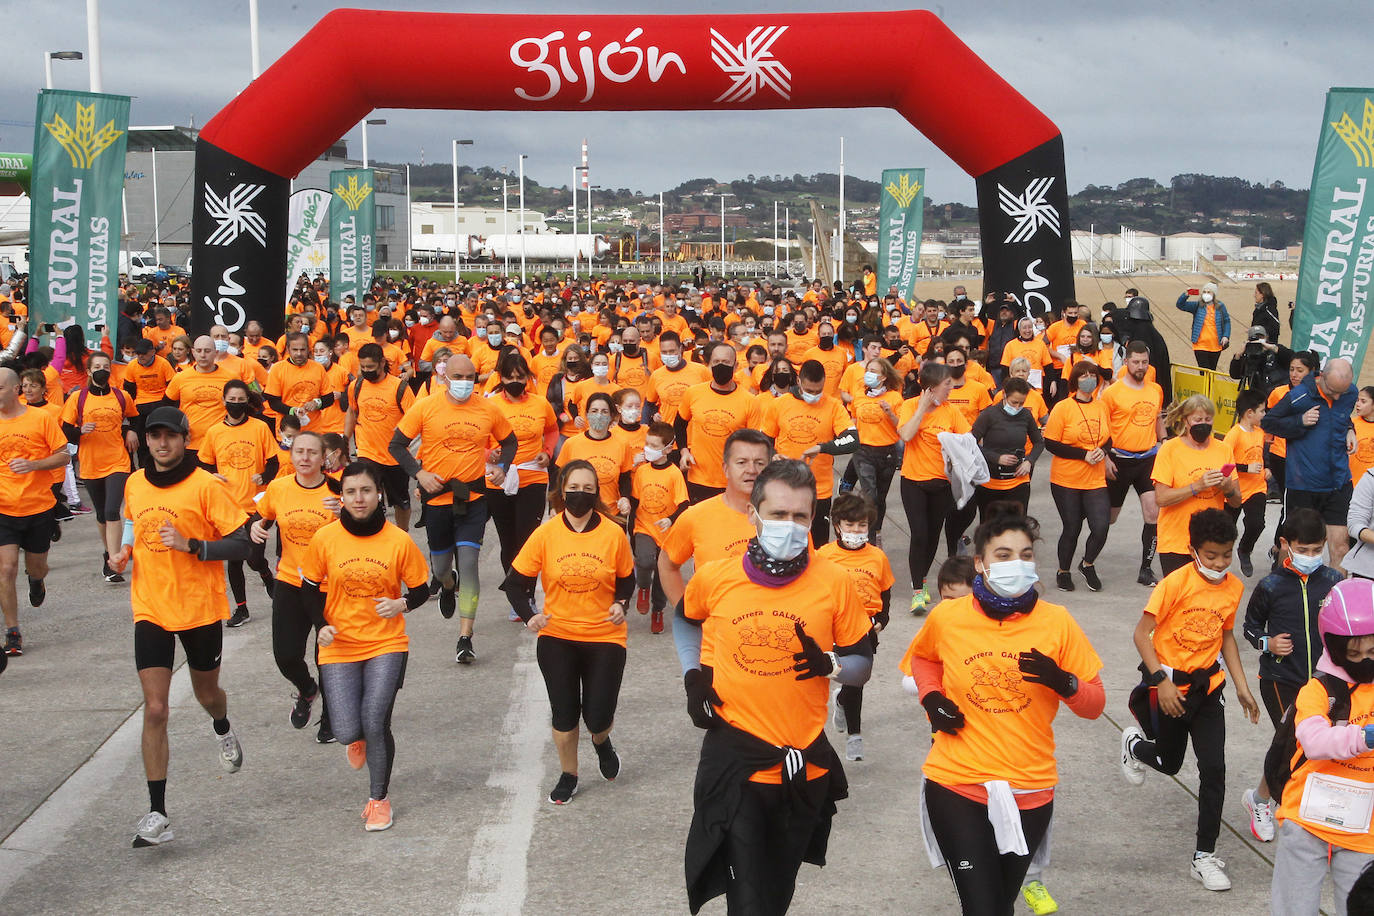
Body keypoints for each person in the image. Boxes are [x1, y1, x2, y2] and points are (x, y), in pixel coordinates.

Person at [676, 459, 873, 916]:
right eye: (779, 514)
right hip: (737, 765)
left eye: (800, 516)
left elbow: (862, 665)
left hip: (801, 768)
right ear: (754, 515)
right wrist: (694, 674)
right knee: (749, 901)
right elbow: (687, 621)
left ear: (813, 519)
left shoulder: (835, 581)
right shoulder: (716, 577)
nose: (789, 525)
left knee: (776, 896)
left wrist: (831, 665)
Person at [908, 505, 1104, 914]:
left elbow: (1095, 704)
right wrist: (931, 698)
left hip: (1029, 788)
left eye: (1026, 554)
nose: (1017, 562)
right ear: (980, 564)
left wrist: (1063, 682)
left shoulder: (1058, 622)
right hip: (956, 781)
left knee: (1000, 904)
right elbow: (923, 659)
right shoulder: (948, 616)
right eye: (1003, 555)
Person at [109, 406, 252, 847]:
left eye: (170, 436)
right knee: (155, 708)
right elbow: (132, 519)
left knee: (207, 694)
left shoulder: (207, 485)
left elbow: (244, 541)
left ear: (185, 438)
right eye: (155, 436)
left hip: (199, 608)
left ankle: (223, 726)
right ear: (146, 440)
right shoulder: (135, 481)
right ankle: (158, 812)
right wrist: (123, 551)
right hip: (149, 606)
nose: (161, 444)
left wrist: (193, 545)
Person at [1120, 508, 1261, 891]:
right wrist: (1160, 681)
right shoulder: (1174, 584)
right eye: (1211, 555)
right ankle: (1135, 746)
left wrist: (1242, 686)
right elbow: (1141, 634)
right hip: (1170, 689)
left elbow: (1226, 636)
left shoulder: (1233, 587)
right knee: (1168, 762)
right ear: (1193, 549)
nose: (1219, 562)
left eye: (1226, 554)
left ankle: (1204, 856)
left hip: (1207, 690)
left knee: (1214, 770)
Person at [300, 461, 431, 832]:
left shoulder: (398, 541)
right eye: (351, 492)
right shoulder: (325, 539)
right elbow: (309, 588)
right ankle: (354, 738)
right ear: (341, 497)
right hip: (339, 644)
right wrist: (321, 625)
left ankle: (379, 799)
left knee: (376, 719)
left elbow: (423, 589)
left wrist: (401, 603)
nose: (359, 498)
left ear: (379, 495)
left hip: (386, 642)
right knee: (345, 729)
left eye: (366, 491)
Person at [500, 459, 636, 805]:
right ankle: (569, 773)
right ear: (562, 491)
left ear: (597, 493)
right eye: (574, 488)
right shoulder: (545, 534)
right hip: (557, 635)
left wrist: (621, 603)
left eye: (588, 489)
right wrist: (530, 615)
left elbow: (627, 578)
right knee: (564, 712)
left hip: (605, 636)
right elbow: (516, 585)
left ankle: (602, 741)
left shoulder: (613, 533)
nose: (580, 495)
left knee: (598, 716)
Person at [390, 353, 516, 665]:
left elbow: (510, 441)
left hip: (472, 499)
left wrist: (502, 466)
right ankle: (448, 585)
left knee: (471, 564)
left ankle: (465, 637)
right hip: (437, 500)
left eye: (469, 378)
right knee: (441, 568)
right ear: (445, 377)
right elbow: (396, 445)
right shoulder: (426, 406)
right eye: (457, 377)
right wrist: (419, 474)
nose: (463, 383)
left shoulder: (488, 408)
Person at [1239, 508, 1343, 844]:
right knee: (1293, 741)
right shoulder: (1270, 586)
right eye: (1303, 549)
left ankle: (1262, 797)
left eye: (1317, 550)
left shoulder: (1334, 582)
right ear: (1286, 544)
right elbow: (1249, 627)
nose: (1311, 556)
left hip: (1323, 679)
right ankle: (1270, 804)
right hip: (1279, 678)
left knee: (1309, 744)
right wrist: (1267, 643)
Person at [251, 430, 342, 741]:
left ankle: (331, 718)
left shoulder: (337, 491)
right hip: (291, 581)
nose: (305, 458)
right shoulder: (277, 488)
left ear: (323, 458)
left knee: (327, 657)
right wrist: (255, 527)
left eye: (312, 453)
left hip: (330, 586)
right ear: (291, 455)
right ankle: (307, 690)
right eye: (299, 451)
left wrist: (345, 514)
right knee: (286, 656)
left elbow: (362, 529)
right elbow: (262, 518)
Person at [658, 429, 773, 616]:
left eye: (759, 463)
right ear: (726, 468)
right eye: (741, 462)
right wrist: (687, 615)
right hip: (716, 637)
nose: (751, 470)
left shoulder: (787, 519)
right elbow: (667, 564)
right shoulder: (695, 516)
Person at [816, 492, 893, 762]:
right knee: (841, 676)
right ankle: (854, 733)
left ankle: (848, 719)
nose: (856, 531)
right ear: (837, 525)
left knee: (857, 680)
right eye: (850, 525)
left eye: (862, 526)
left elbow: (885, 592)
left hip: (865, 629)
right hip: (834, 627)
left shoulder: (877, 557)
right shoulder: (823, 556)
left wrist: (882, 619)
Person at [1264, 357, 1358, 571]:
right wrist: (1299, 422)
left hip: (1339, 482)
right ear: (1321, 376)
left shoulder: (1349, 393)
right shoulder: (1299, 396)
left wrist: (1350, 429)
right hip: (1303, 484)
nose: (1337, 396)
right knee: (1295, 547)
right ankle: (1283, 589)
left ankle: (1334, 602)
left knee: (1341, 548)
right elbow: (1269, 422)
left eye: (1341, 392)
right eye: (1333, 391)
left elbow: (1340, 416)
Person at [0, 368, 70, 656]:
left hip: (38, 505)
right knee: (5, 569)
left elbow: (64, 455)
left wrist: (34, 465)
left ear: (16, 389)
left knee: (36, 566)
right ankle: (13, 631)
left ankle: (36, 579)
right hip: (4, 507)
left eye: (0, 387)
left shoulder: (40, 418)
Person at [484, 350, 559, 621]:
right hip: (499, 480)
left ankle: (526, 593)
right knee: (508, 541)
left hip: (533, 477)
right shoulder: (490, 405)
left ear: (528, 378)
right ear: (500, 377)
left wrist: (547, 452)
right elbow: (477, 440)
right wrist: (488, 455)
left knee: (528, 539)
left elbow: (552, 430)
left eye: (520, 377)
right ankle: (515, 596)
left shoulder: (541, 404)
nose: (515, 381)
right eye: (509, 377)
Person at [198, 380, 278, 627]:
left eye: (240, 400)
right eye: (231, 400)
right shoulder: (214, 432)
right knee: (234, 560)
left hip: (257, 505)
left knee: (253, 557)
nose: (235, 404)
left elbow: (274, 462)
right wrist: (212, 474)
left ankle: (266, 575)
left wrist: (264, 476)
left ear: (247, 401)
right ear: (223, 401)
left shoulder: (260, 428)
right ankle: (241, 608)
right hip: (228, 508)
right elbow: (203, 464)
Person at [60, 350, 138, 583]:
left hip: (118, 460)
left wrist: (131, 431)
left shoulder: (122, 396)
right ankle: (109, 553)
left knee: (113, 509)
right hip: (91, 461)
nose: (102, 370)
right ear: (89, 371)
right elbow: (65, 430)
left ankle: (115, 562)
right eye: (97, 367)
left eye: (106, 366)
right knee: (102, 512)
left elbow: (132, 418)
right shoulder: (78, 398)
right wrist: (78, 431)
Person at [898, 361, 969, 614]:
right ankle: (917, 591)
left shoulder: (951, 411)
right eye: (947, 384)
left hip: (942, 484)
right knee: (919, 534)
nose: (951, 388)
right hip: (913, 482)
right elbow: (906, 435)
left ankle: (923, 580)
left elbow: (967, 440)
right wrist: (921, 408)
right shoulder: (908, 406)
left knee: (932, 536)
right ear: (930, 388)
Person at [1152, 395, 1243, 574]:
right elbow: (1161, 498)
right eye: (1198, 419)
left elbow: (1237, 501)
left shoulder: (1223, 449)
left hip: (1210, 544)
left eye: (1208, 419)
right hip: (1176, 542)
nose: (1204, 424)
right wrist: (1197, 486)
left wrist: (1227, 489)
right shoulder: (1170, 450)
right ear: (1186, 421)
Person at [1042, 360, 1112, 592]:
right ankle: (1063, 571)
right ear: (1075, 379)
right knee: (1072, 527)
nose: (1089, 379)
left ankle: (1087, 563)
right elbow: (1051, 443)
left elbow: (1108, 439)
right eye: (1084, 375)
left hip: (1095, 478)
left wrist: (1103, 451)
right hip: (1066, 479)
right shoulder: (1063, 407)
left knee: (1101, 525)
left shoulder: (1101, 406)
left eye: (1093, 375)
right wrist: (1082, 455)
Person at [767, 358, 853, 546]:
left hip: (818, 490)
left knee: (818, 544)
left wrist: (823, 448)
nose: (814, 395)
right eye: (809, 391)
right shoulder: (779, 405)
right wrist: (772, 454)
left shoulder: (833, 406)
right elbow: (764, 439)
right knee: (783, 544)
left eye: (818, 391)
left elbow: (852, 440)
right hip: (784, 486)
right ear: (798, 382)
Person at [1101, 341, 1166, 586]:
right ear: (1126, 362)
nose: (1140, 367)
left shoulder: (1155, 390)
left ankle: (1146, 569)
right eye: (1136, 362)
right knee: (1109, 517)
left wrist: (1165, 440)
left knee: (1153, 513)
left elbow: (1157, 418)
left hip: (1147, 459)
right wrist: (1105, 456)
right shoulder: (1112, 393)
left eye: (1144, 362)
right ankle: (1090, 557)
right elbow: (1102, 427)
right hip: (1119, 460)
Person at [677, 341, 763, 503]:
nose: (721, 366)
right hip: (698, 478)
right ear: (709, 364)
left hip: (732, 480)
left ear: (735, 365)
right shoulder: (693, 393)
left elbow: (753, 444)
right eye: (716, 362)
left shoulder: (750, 401)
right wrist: (684, 451)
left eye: (726, 362)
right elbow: (679, 424)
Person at [343, 342, 416, 530]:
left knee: (401, 502)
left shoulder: (400, 388)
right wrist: (345, 440)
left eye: (370, 367)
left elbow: (414, 418)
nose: (366, 371)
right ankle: (375, 533)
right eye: (363, 367)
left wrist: (402, 431)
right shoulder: (356, 386)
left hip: (395, 456)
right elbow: (352, 412)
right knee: (370, 497)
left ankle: (402, 534)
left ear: (382, 362)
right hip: (367, 452)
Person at [630, 422, 688, 634]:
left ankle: (658, 610)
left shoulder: (674, 474)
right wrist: (626, 506)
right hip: (644, 526)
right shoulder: (642, 471)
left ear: (667, 449)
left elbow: (684, 504)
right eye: (646, 443)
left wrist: (671, 519)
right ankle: (643, 586)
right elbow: (635, 499)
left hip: (666, 533)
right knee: (644, 561)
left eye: (653, 445)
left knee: (663, 573)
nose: (647, 448)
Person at [971, 377, 1043, 520]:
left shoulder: (1026, 415)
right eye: (1014, 402)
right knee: (990, 528)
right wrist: (996, 458)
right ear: (1004, 395)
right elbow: (970, 444)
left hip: (1018, 480)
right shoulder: (988, 415)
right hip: (990, 482)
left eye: (1021, 403)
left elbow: (1039, 442)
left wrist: (1029, 461)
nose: (1017, 407)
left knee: (1016, 526)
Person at [557, 391, 634, 519]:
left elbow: (625, 478)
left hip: (611, 513)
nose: (599, 415)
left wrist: (625, 498)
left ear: (611, 416)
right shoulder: (571, 444)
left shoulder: (622, 444)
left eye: (604, 411)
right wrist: (555, 507)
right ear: (586, 414)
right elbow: (559, 478)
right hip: (578, 513)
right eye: (594, 411)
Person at [1224, 388, 1270, 576]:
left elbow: (1263, 455)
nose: (1264, 414)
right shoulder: (1234, 435)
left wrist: (1267, 468)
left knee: (1256, 524)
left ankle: (1245, 549)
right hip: (1235, 490)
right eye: (1262, 411)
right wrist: (1245, 468)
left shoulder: (1260, 432)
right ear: (1249, 413)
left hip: (1257, 488)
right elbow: (1224, 466)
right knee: (1226, 530)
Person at [1266, 352, 1318, 517]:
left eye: (1300, 370)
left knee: (1299, 505)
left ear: (1311, 372)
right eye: (1291, 369)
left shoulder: (1319, 395)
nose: (1294, 374)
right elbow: (1268, 425)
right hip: (1281, 456)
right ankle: (1282, 541)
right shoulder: (1278, 393)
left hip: (1307, 457)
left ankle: (1282, 541)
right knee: (1291, 503)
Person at [1176, 283, 1231, 370]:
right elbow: (1180, 305)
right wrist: (1186, 294)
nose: (1206, 294)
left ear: (1214, 294)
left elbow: (1227, 321)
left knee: (1212, 371)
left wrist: (1226, 336)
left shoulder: (1220, 306)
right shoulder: (1197, 305)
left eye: (1209, 292)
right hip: (1200, 345)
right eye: (1204, 292)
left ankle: (1210, 384)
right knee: (1204, 371)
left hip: (1215, 346)